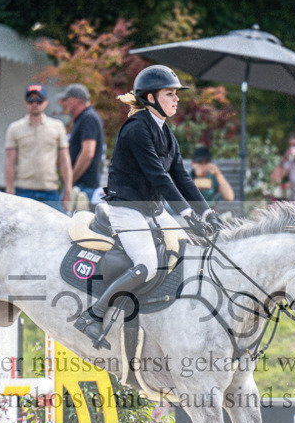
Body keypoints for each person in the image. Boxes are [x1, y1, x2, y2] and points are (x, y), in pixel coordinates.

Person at [74, 65, 219, 349]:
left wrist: (206, 212)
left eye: (176, 94)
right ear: (151, 98)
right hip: (127, 209)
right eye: (170, 94)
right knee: (147, 266)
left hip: (151, 209)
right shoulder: (137, 129)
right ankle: (93, 316)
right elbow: (158, 176)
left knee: (191, 246)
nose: (176, 99)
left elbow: (182, 177)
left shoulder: (165, 132)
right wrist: (187, 212)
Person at [5, 83, 72, 213]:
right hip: (23, 190)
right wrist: (9, 189)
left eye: (38, 100)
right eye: (30, 100)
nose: (34, 104)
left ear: (45, 102)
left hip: (50, 191)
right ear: (25, 103)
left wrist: (68, 190)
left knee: (59, 228)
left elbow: (65, 161)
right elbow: (10, 162)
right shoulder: (14, 128)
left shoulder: (57, 127)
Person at [57, 83, 106, 202]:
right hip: (80, 185)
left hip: (83, 187)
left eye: (66, 100)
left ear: (77, 100)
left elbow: (88, 153)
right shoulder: (83, 118)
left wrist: (70, 181)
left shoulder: (88, 118)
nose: (64, 104)